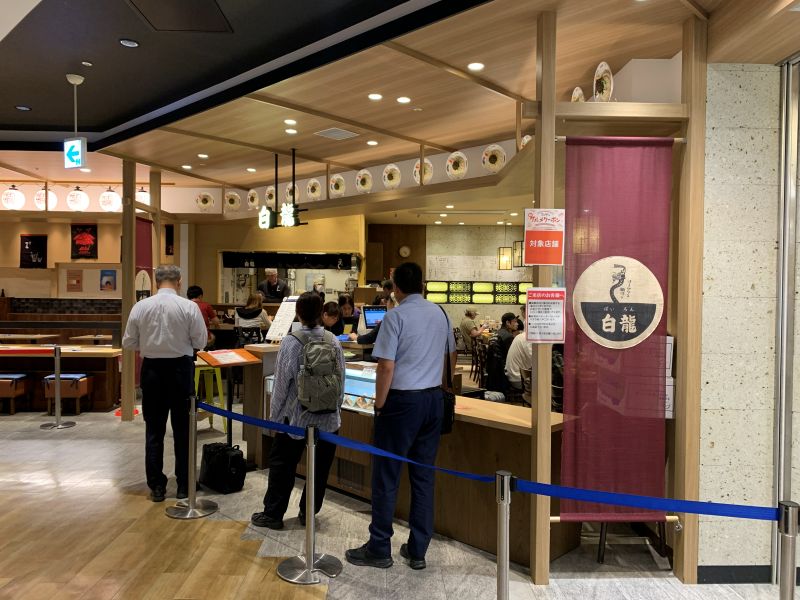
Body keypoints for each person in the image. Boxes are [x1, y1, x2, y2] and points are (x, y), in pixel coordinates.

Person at [346, 262, 456, 571]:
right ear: (423, 284)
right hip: (433, 401)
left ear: (395, 288)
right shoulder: (441, 313)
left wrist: (379, 406)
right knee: (423, 477)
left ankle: (380, 547)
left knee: (387, 475)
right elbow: (450, 356)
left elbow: (386, 366)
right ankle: (418, 550)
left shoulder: (395, 317)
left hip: (402, 403)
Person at [250, 292, 345, 529]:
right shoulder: (333, 340)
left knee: (282, 466)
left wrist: (274, 418)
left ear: (298, 313)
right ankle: (308, 512)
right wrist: (335, 410)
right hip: (328, 419)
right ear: (321, 312)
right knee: (319, 470)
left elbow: (281, 385)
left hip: (295, 418)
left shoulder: (292, 342)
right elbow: (341, 380)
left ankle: (273, 514)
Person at [122, 265, 207, 503]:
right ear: (179, 281)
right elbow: (200, 340)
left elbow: (128, 342)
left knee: (154, 430)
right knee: (183, 430)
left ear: (156, 282)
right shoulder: (188, 306)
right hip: (181, 369)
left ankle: (157, 486)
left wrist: (149, 344)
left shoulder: (141, 306)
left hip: (152, 371)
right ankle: (184, 485)